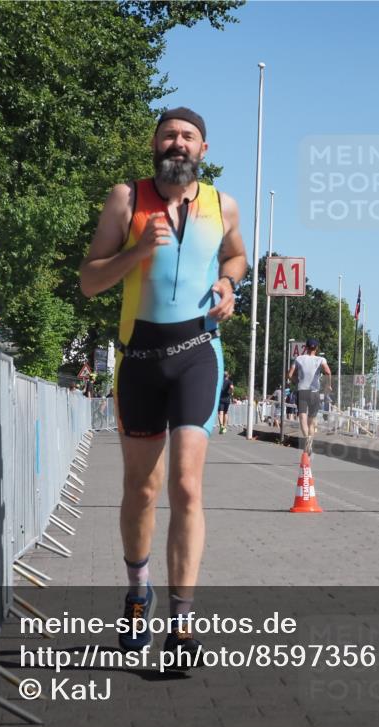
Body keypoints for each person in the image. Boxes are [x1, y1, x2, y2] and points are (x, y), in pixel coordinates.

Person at [78, 107, 247, 660]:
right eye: (169, 135)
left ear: (203, 149)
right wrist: (138, 252)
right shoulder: (126, 198)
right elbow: (89, 282)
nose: (179, 143)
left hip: (199, 353)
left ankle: (182, 623)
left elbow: (238, 255)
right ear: (155, 144)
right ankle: (136, 593)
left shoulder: (222, 204)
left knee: (188, 486)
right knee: (142, 490)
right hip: (141, 359)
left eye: (189, 137)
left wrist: (227, 281)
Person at [288, 339, 332, 455]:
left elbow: (290, 374)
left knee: (302, 417)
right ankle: (310, 443)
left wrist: (296, 381)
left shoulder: (299, 359)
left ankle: (307, 440)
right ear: (316, 348)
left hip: (302, 391)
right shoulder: (321, 359)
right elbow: (327, 372)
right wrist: (328, 385)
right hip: (314, 392)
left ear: (305, 347)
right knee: (311, 421)